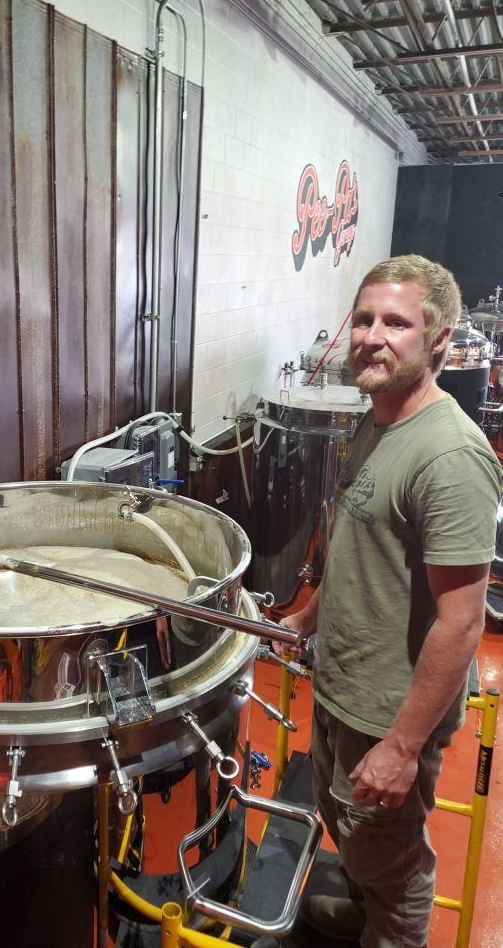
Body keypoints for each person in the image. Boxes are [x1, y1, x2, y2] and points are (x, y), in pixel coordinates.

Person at [274, 256, 501, 948]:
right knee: (343, 822)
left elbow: (463, 621)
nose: (372, 336)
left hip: (390, 709)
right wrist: (308, 614)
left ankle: (390, 931)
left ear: (437, 339)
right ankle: (367, 911)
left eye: (395, 322)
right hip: (343, 679)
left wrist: (403, 747)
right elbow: (355, 531)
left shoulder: (450, 456)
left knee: (391, 859)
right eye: (365, 319)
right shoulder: (377, 421)